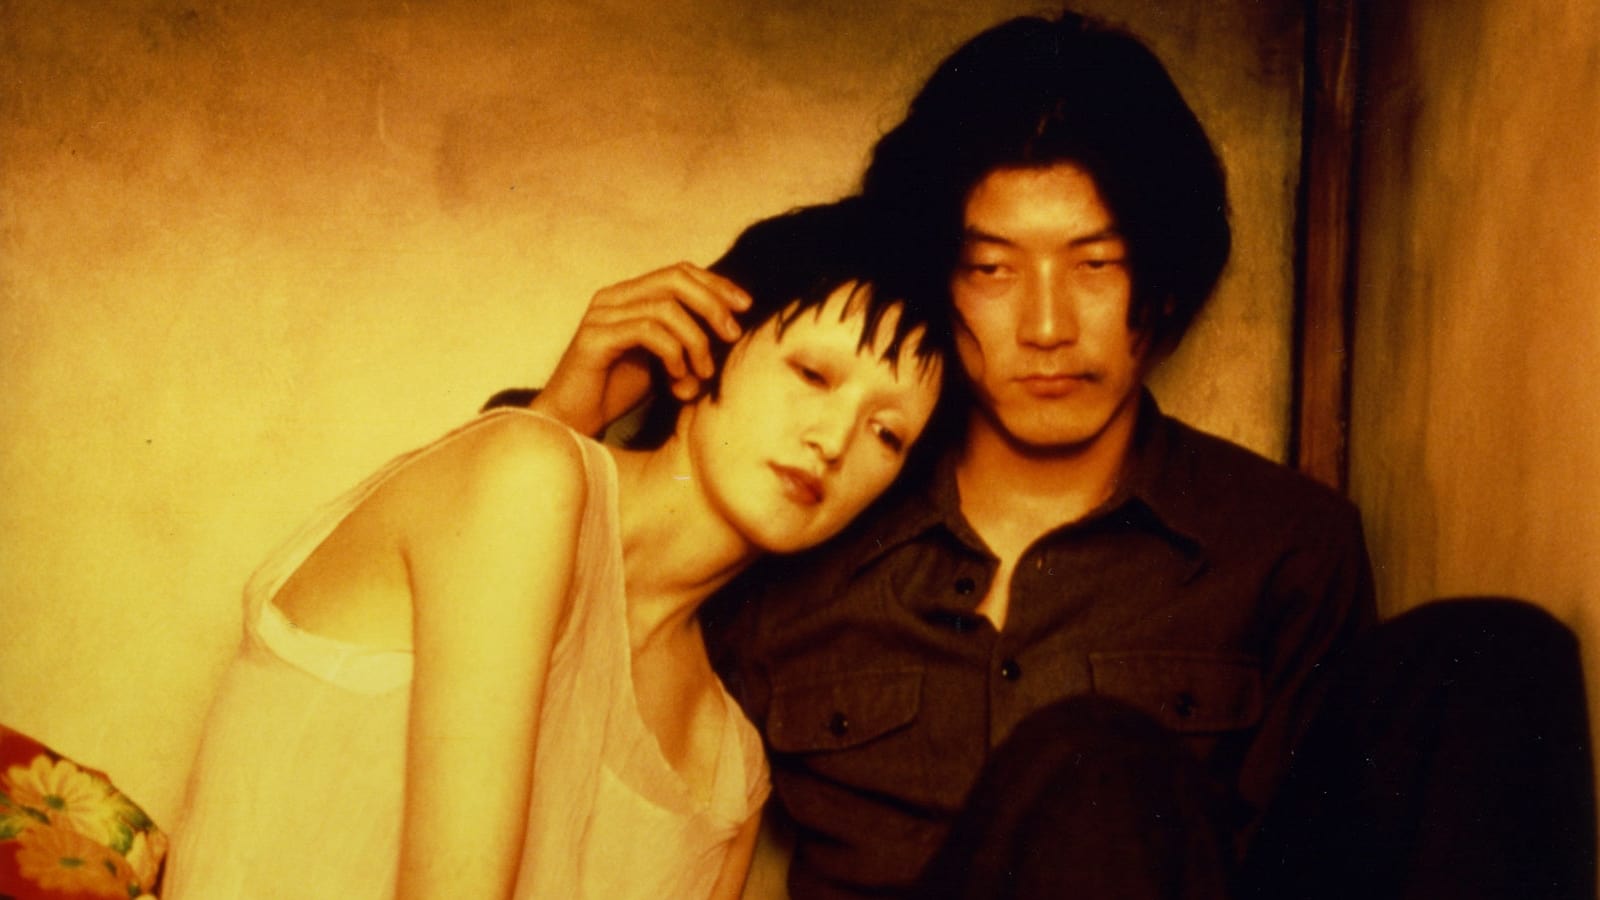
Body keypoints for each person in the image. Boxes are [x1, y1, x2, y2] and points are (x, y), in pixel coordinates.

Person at [523, 10, 1373, 899]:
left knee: (1453, 665)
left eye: (1096, 264)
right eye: (991, 270)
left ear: (1163, 278)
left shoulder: (1285, 550)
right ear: (933, 281)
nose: (1047, 327)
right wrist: (559, 416)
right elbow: (539, 661)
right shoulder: (804, 513)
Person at [165, 199, 947, 900]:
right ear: (704, 347)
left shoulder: (732, 772)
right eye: (812, 373)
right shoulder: (525, 471)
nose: (834, 440)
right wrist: (559, 416)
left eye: (888, 433)